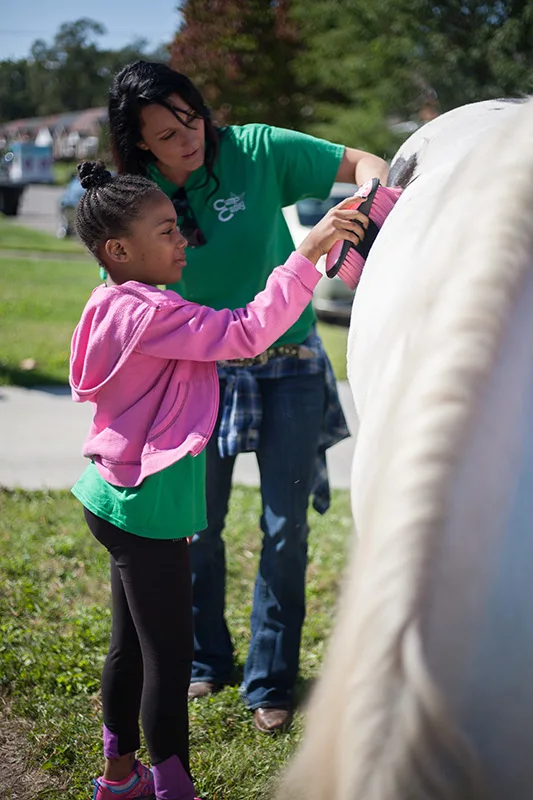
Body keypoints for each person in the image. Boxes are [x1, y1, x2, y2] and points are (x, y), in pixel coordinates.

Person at [69, 160, 367, 800]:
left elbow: (129, 268)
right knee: (169, 660)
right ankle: (174, 790)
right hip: (150, 507)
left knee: (129, 647)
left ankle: (118, 778)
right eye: (168, 230)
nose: (185, 240)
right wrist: (305, 254)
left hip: (114, 496)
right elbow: (245, 334)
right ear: (120, 250)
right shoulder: (151, 315)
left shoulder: (111, 299)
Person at [107, 60, 390, 733]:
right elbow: (128, 298)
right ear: (139, 142)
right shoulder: (134, 194)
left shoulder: (256, 150)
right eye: (167, 132)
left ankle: (270, 679)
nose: (188, 136)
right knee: (196, 530)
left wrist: (363, 215)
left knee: (285, 530)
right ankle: (208, 659)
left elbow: (368, 163)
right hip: (196, 375)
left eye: (190, 117)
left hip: (288, 364)